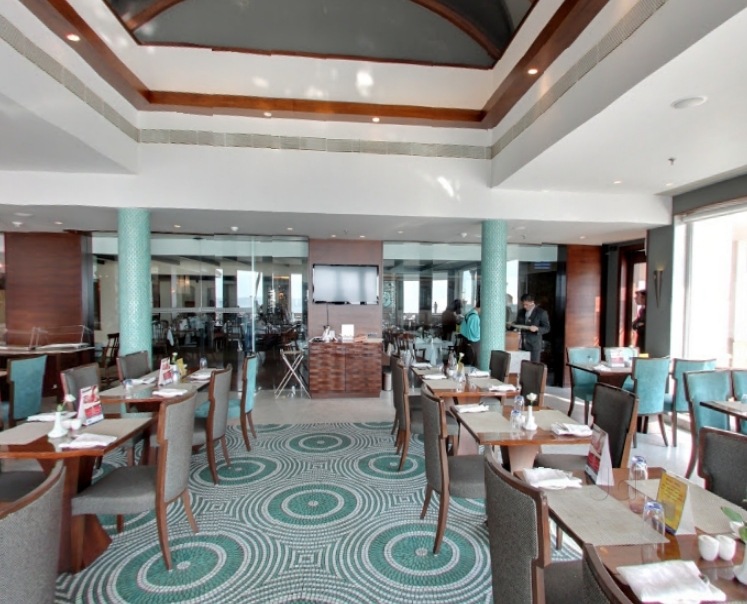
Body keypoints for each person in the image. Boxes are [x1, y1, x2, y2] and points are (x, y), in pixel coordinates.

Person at [514, 294, 550, 363]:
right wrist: (512, 325)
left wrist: (537, 329)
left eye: (526, 304)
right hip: (522, 344)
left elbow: (547, 328)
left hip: (534, 346)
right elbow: (518, 323)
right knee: (523, 365)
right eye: (523, 304)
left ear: (532, 302)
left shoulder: (541, 313)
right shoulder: (521, 312)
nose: (525, 306)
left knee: (533, 366)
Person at [459, 301, 481, 367]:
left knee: (462, 366)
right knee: (472, 366)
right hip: (472, 346)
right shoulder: (474, 317)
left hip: (465, 343)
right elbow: (475, 334)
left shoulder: (469, 314)